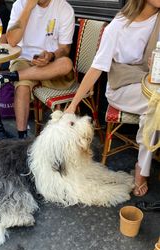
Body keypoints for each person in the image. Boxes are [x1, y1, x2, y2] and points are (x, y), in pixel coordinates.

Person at [65, 0, 160, 197]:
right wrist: (73, 105)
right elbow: (96, 68)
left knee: (154, 108)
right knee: (156, 104)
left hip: (151, 83)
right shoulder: (118, 27)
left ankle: (142, 166)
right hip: (122, 88)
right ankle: (142, 168)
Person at [0, 0, 75, 139]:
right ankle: (22, 138)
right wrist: (28, 7)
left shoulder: (64, 8)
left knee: (66, 63)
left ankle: (9, 77)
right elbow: (12, 41)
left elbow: (65, 48)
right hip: (24, 59)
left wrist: (51, 55)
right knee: (22, 87)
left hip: (51, 64)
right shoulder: (20, 4)